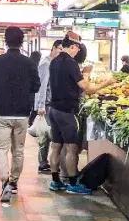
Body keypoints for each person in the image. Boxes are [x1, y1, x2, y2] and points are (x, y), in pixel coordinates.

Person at [46, 38, 111, 194]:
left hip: (54, 109)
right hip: (67, 111)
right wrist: (105, 82)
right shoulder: (70, 63)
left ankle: (56, 181)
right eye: (78, 49)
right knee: (71, 148)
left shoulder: (54, 61)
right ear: (73, 47)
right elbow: (86, 88)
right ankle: (73, 184)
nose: (78, 53)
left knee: (55, 146)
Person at [0, 26, 40, 206]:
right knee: (18, 150)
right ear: (22, 41)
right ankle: (14, 182)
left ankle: (4, 181)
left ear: (5, 41)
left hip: (1, 111)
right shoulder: (29, 63)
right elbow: (36, 86)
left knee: (0, 149)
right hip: (22, 113)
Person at [35, 40, 61, 174]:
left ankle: (46, 161)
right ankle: (43, 163)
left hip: (52, 102)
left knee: (50, 133)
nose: (61, 53)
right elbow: (42, 85)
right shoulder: (46, 64)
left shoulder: (55, 63)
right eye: (60, 49)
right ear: (54, 48)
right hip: (46, 104)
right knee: (45, 134)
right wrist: (40, 105)